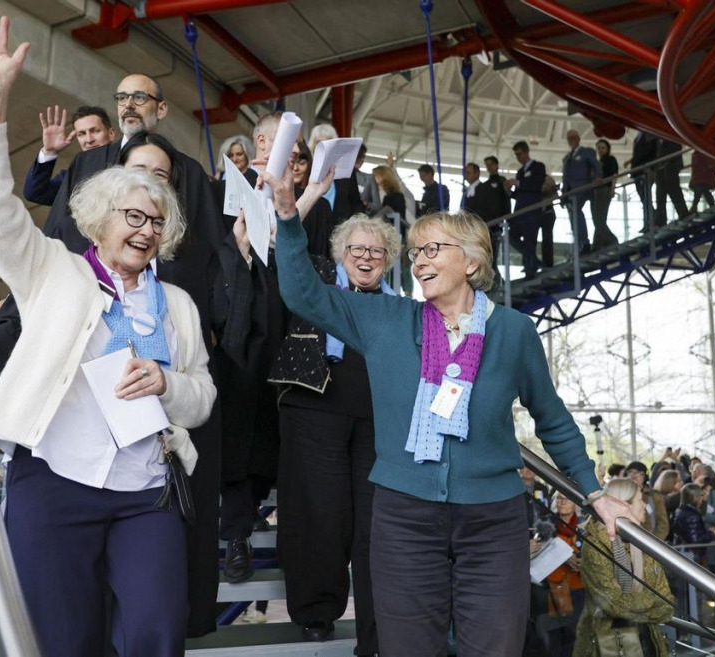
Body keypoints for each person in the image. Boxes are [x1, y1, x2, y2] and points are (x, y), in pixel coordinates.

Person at [265, 150, 632, 656]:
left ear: (473, 261)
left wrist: (594, 492)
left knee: (495, 647)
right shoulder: (385, 321)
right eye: (415, 253)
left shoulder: (513, 332)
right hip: (403, 516)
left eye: (432, 249)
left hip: (493, 520)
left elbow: (552, 419)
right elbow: (303, 293)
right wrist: (288, 219)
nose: (419, 261)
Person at [0, 11, 217, 654]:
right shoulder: (53, 271)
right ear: (100, 219)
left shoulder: (176, 303)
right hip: (53, 482)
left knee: (157, 629)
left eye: (158, 222)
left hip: (146, 491)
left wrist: (169, 384)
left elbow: (203, 395)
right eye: (135, 215)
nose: (148, 231)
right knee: (62, 639)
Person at [269, 214, 401, 652]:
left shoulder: (398, 304)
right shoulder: (318, 282)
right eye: (357, 249)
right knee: (319, 513)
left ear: (388, 259)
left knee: (375, 522)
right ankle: (316, 612)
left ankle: (376, 631)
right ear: (340, 255)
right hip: (314, 403)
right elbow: (282, 253)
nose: (366, 258)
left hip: (376, 415)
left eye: (376, 251)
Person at [574, 477, 674, 657]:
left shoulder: (644, 542)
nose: (644, 505)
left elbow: (666, 603)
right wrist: (651, 602)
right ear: (623, 505)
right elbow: (613, 604)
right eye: (639, 500)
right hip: (606, 645)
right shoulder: (595, 545)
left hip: (647, 642)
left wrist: (634, 600)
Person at [24, 105, 115, 205]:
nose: (89, 139)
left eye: (95, 131)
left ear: (111, 134)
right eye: (82, 134)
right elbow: (34, 193)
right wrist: (49, 151)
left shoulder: (129, 163)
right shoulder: (72, 176)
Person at [544, 492, 585, 656]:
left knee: (575, 633)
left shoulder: (583, 525)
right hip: (554, 586)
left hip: (578, 586)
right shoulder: (547, 522)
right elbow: (539, 549)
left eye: (567, 499)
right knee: (555, 634)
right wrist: (563, 556)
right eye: (559, 498)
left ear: (575, 503)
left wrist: (584, 562)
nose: (563, 502)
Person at [509, 140, 547, 277]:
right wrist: (509, 191)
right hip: (520, 211)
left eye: (519, 154)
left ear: (526, 152)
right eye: (516, 155)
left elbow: (536, 185)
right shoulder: (520, 171)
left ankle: (530, 269)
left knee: (530, 240)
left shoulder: (538, 167)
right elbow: (520, 194)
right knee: (512, 236)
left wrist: (518, 183)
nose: (518, 157)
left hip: (532, 211)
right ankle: (533, 262)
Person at [560, 129, 601, 253]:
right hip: (570, 191)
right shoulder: (567, 158)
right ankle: (580, 244)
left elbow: (596, 165)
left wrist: (598, 177)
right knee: (573, 216)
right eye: (569, 139)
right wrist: (563, 194)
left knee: (576, 211)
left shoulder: (586, 152)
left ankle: (584, 243)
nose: (571, 140)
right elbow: (565, 177)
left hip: (583, 187)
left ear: (578, 139)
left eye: (573, 138)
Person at [670, 483, 715, 563]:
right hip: (691, 555)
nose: (703, 497)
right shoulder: (692, 516)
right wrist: (712, 534)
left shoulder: (680, 510)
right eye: (701, 495)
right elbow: (695, 541)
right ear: (695, 497)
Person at [627, 461, 669, 541]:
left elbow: (663, 525)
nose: (634, 476)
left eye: (639, 473)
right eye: (631, 472)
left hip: (649, 541)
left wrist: (653, 543)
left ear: (645, 476)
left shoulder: (653, 496)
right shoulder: (622, 495)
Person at [625, 130, 658, 232]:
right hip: (638, 170)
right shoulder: (640, 135)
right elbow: (639, 152)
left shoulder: (650, 135)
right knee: (644, 199)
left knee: (646, 198)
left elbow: (651, 152)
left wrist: (649, 167)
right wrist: (631, 161)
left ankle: (651, 222)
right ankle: (648, 223)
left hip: (645, 170)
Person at [590, 139, 619, 250]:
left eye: (603, 148)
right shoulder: (598, 162)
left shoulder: (611, 160)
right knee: (597, 219)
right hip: (597, 191)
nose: (601, 150)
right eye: (599, 148)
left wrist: (612, 189)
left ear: (607, 149)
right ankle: (611, 240)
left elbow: (614, 175)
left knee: (600, 219)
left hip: (604, 190)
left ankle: (597, 246)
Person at [654, 139, 689, 225]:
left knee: (673, 190)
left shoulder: (671, 137)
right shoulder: (657, 140)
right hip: (660, 168)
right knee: (660, 194)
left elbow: (675, 150)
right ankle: (661, 220)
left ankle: (683, 213)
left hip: (671, 166)